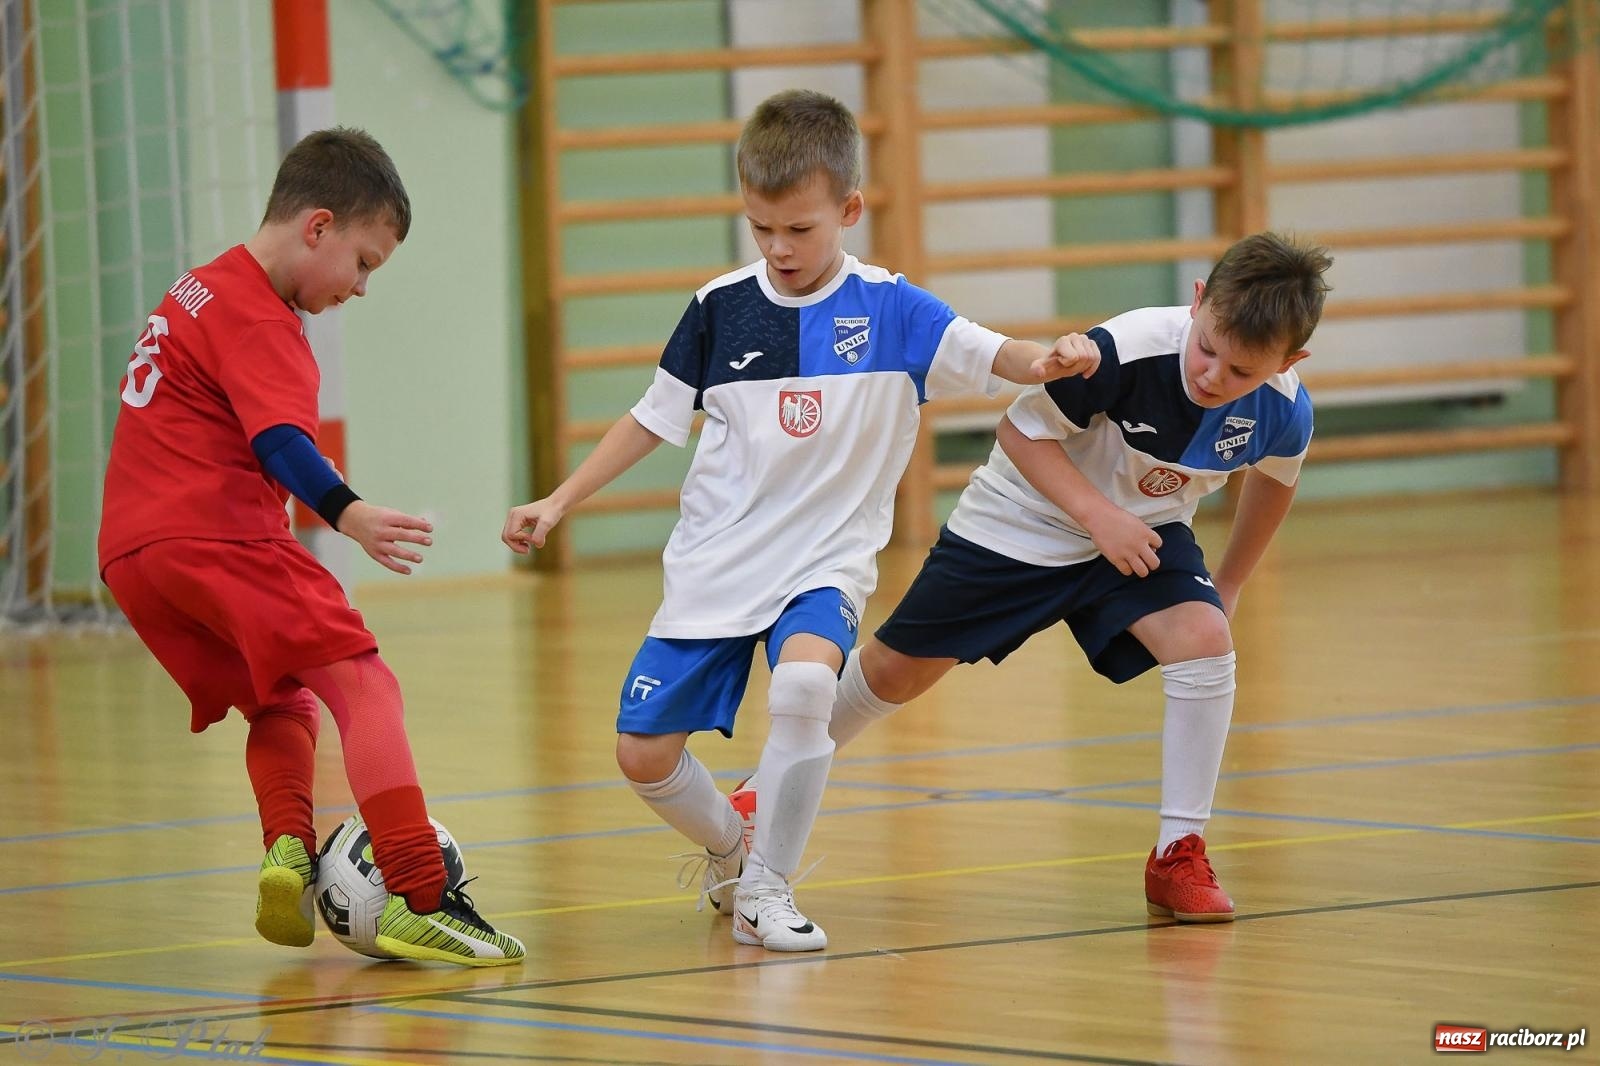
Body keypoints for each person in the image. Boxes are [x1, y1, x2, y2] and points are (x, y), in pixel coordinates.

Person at [502, 89, 1100, 952]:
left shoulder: (895, 310)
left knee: (809, 686)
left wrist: (1052, 356)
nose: (780, 249)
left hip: (826, 560)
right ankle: (732, 845)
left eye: (800, 230)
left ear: (849, 210)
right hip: (719, 561)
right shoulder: (718, 309)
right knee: (642, 755)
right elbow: (652, 418)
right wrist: (559, 499)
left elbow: (996, 354)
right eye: (762, 229)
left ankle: (767, 892)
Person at [731, 231, 1332, 923]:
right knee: (896, 672)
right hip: (1020, 520)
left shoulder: (1285, 410)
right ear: (1198, 302)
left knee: (1204, 636)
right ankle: (756, 799)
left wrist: (1229, 584)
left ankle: (1179, 852)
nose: (1213, 378)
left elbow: (1276, 483)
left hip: (1141, 535)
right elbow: (1021, 433)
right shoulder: (1126, 349)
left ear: (1291, 361)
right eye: (1207, 350)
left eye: (1241, 373)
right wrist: (1098, 516)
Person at [98, 127, 524, 967]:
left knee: (280, 700)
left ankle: (288, 851)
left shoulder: (197, 287)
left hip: (132, 556)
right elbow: (282, 444)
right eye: (364, 263)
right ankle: (418, 893)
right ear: (318, 227)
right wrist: (350, 510)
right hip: (215, 535)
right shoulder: (265, 322)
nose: (362, 288)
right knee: (364, 683)